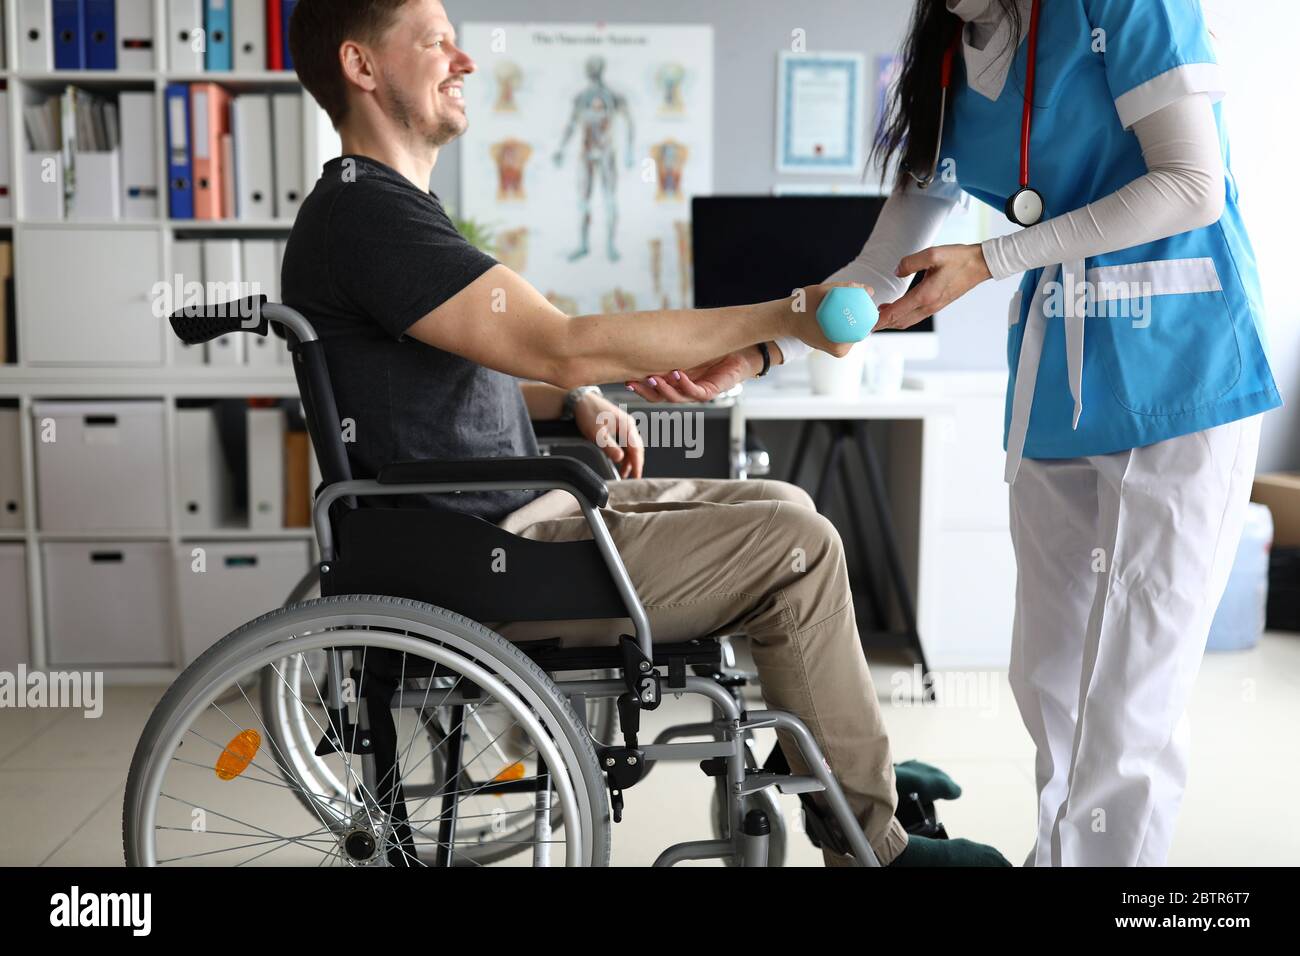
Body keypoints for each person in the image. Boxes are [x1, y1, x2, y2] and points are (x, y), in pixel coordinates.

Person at [282, 0, 1010, 866]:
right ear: (362, 67)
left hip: (501, 521)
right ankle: (871, 842)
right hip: (495, 553)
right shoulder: (371, 216)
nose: (465, 59)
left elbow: (452, 378)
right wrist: (788, 314)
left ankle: (832, 757)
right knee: (798, 546)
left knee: (783, 500)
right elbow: (562, 342)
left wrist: (579, 400)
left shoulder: (384, 210)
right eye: (436, 40)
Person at [635, 0, 1282, 867]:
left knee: (1128, 706)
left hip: (1182, 375)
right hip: (1060, 390)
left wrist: (989, 259)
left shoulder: (1125, 7)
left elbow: (1191, 183)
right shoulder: (949, 55)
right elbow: (876, 270)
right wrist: (756, 357)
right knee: (1050, 685)